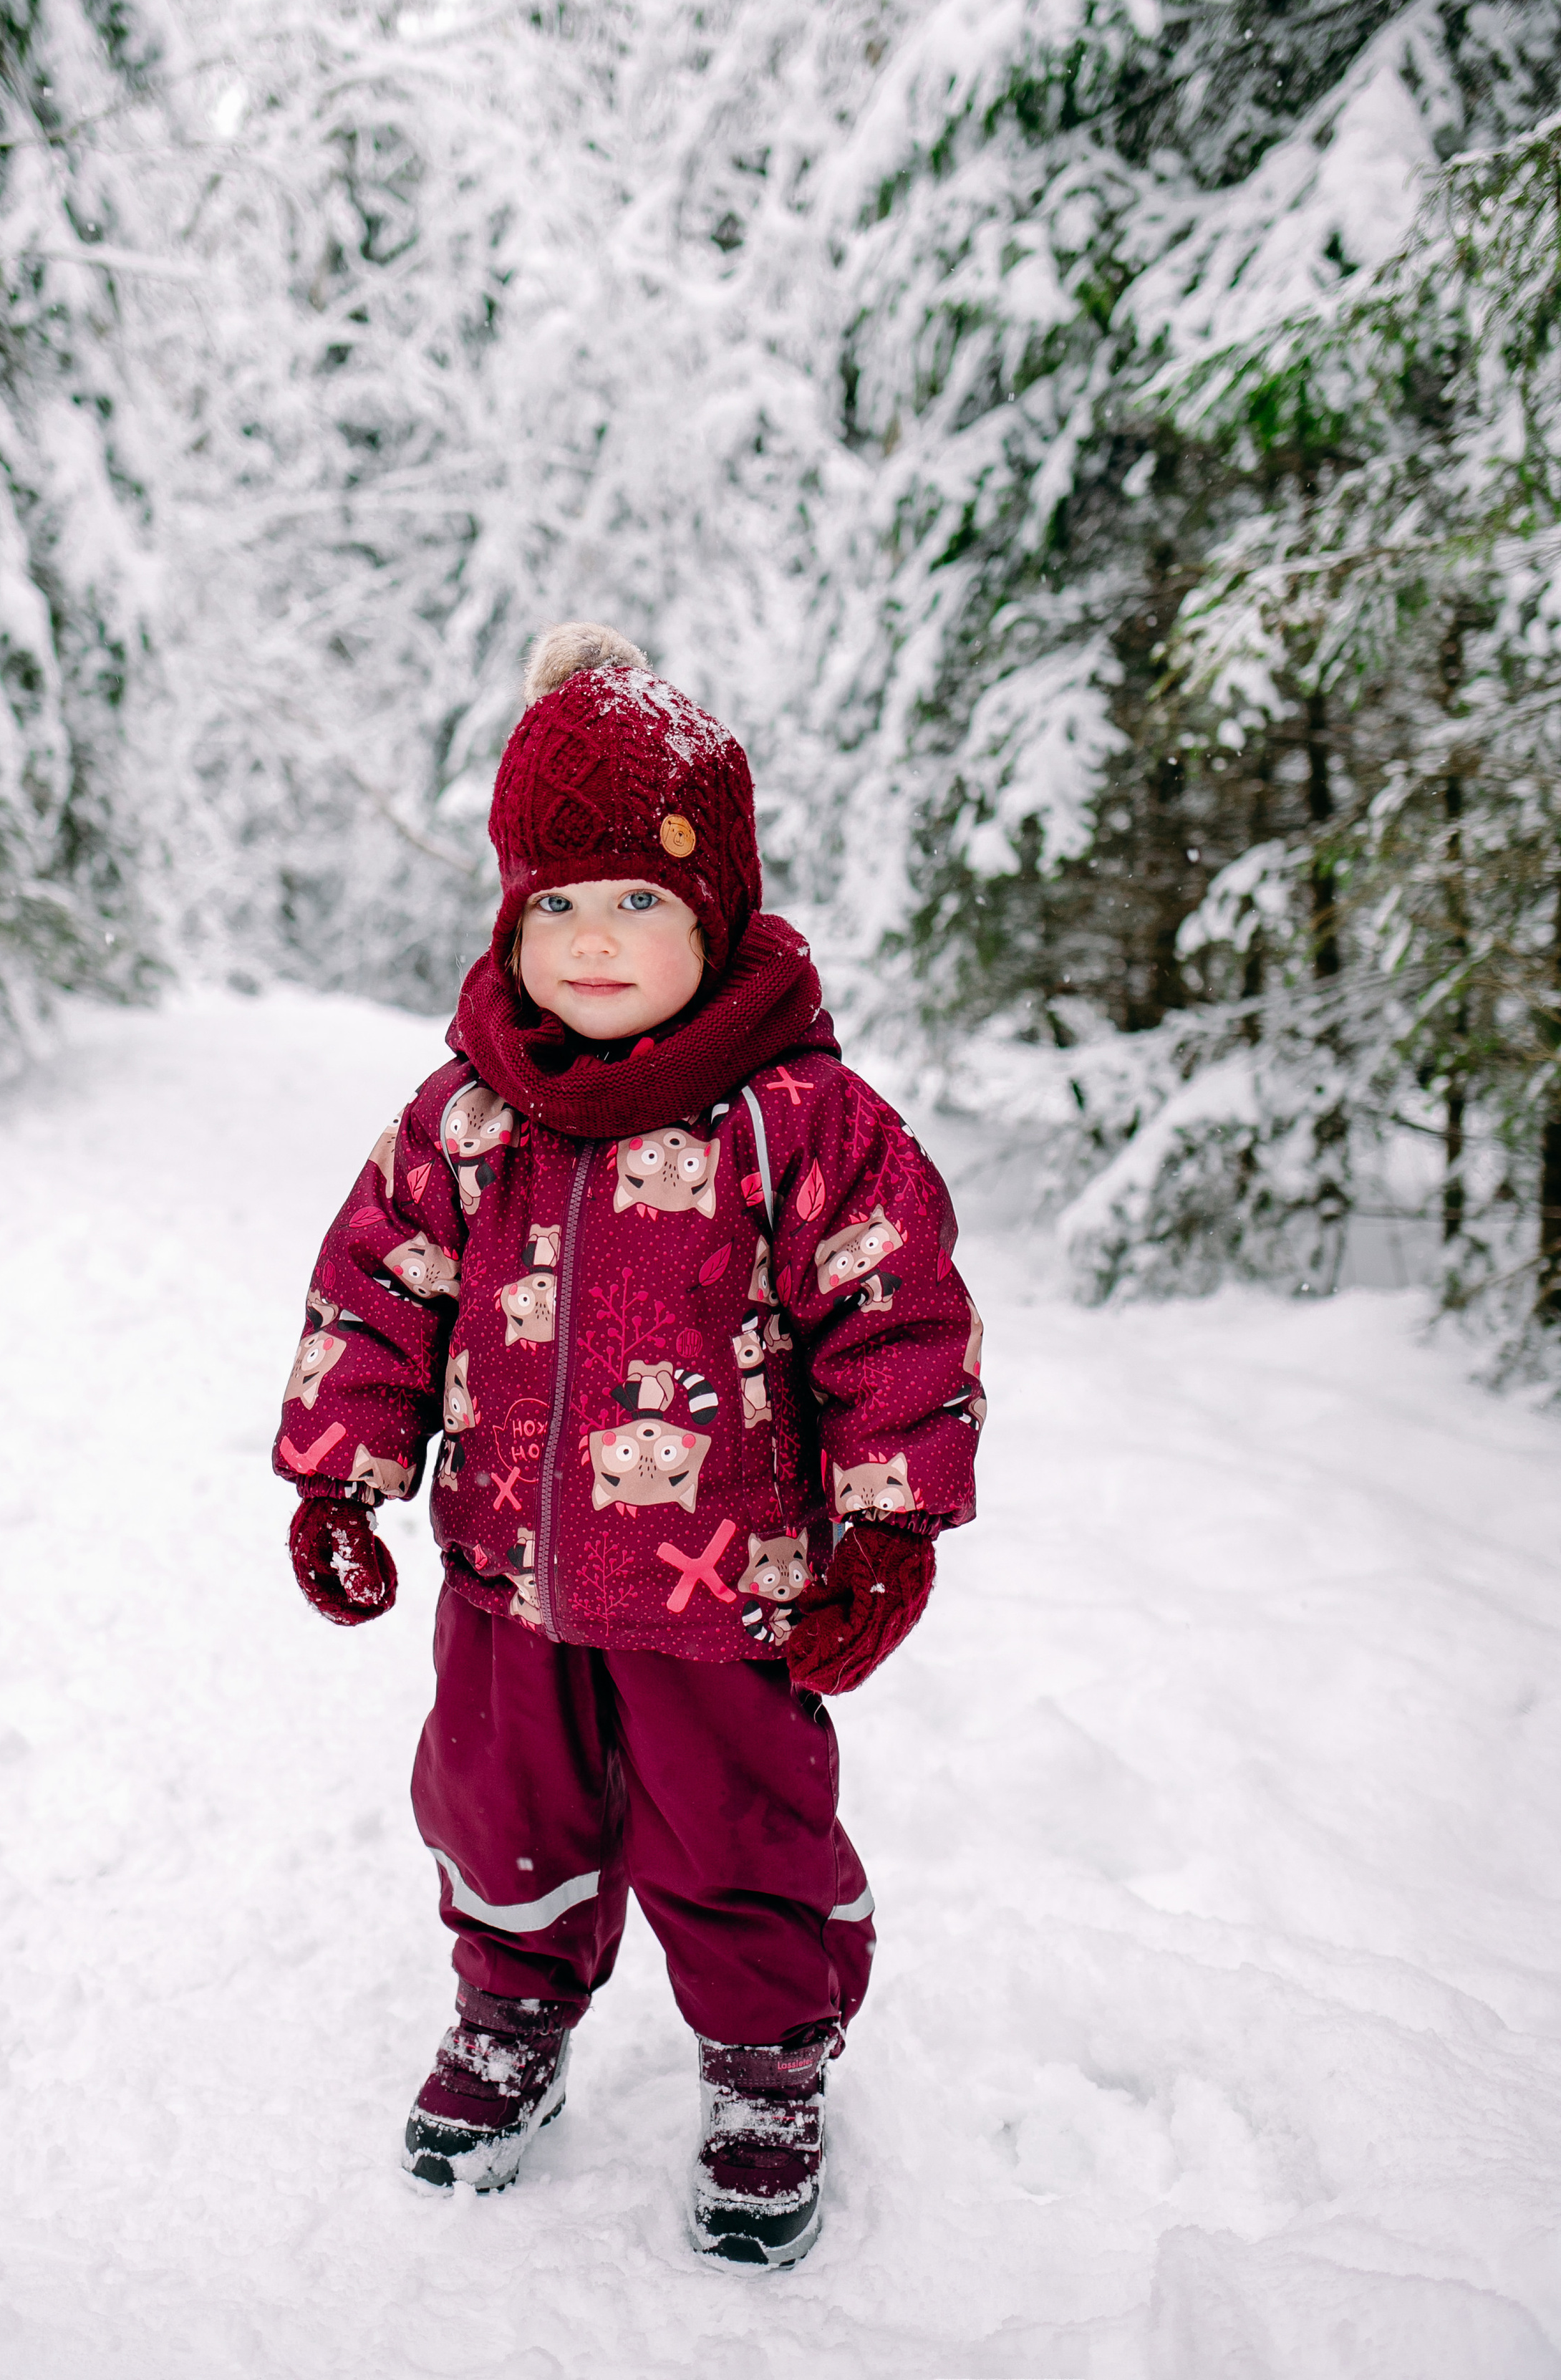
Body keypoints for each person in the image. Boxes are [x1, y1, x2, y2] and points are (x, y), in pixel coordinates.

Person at [273, 622, 985, 2268]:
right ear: (512, 916)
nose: (595, 941)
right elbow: (375, 1289)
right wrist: (339, 1476)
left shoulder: (801, 1123)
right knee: (494, 1809)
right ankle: (511, 2017)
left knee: (739, 1834)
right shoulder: (465, 1118)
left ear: (715, 909)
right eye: (557, 904)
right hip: (504, 1578)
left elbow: (895, 1323)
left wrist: (888, 1530)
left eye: (640, 901)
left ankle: (762, 2069)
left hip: (727, 1585)